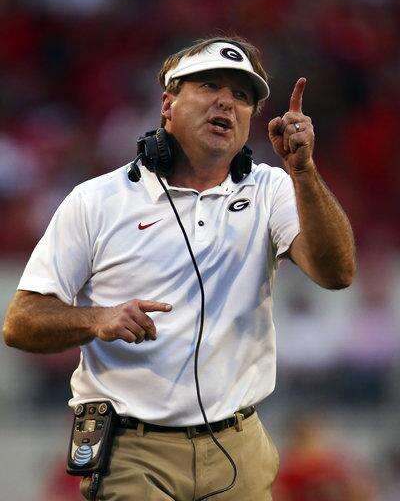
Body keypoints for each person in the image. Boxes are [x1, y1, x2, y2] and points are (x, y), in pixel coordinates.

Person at [2, 36, 356, 501]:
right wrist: (96, 318)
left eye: (242, 95)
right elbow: (20, 323)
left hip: (238, 446)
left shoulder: (272, 189)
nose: (226, 102)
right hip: (132, 450)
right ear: (168, 104)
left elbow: (337, 273)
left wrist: (304, 171)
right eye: (209, 86)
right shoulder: (97, 201)